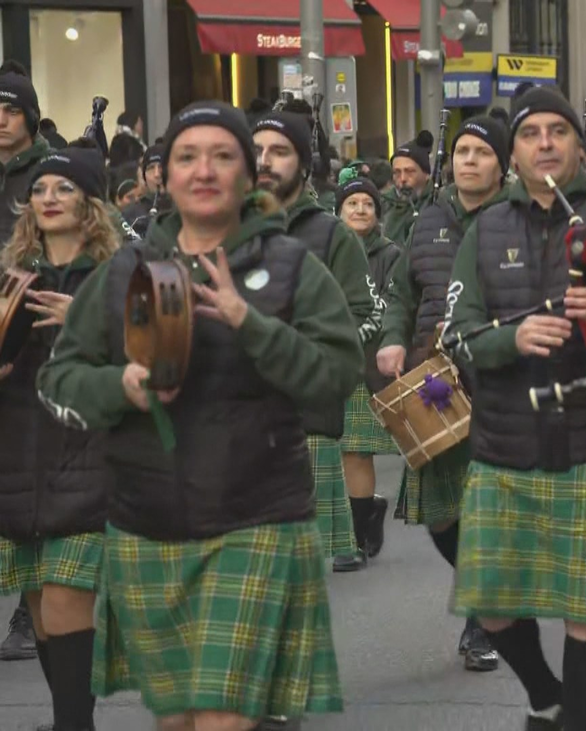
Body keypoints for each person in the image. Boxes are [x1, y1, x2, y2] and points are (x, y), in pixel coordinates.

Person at [36, 99, 362, 731]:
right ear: (167, 174)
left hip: (257, 521)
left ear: (248, 174)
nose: (204, 170)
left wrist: (251, 324)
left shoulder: (291, 266)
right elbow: (60, 379)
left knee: (222, 715)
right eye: (187, 156)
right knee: (180, 718)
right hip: (146, 524)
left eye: (222, 156)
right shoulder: (125, 270)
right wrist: (120, 386)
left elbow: (336, 376)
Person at [443, 83, 586, 731]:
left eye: (559, 132)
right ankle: (545, 694)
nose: (545, 144)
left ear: (580, 146)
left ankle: (577, 722)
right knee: (491, 601)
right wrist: (511, 339)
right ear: (514, 154)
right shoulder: (486, 228)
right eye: (531, 134)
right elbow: (456, 334)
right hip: (503, 440)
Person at [376, 114, 511, 674]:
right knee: (440, 516)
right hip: (434, 381)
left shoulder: (520, 218)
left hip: (500, 380)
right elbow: (402, 294)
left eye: (482, 152)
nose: (469, 161)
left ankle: (482, 617)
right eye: (462, 152)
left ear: (502, 164)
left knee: (486, 510)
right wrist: (392, 340)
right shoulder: (428, 219)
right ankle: (485, 591)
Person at [0, 143, 116, 731]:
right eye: (40, 189)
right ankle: (69, 718)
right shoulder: (11, 278)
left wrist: (86, 321)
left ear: (90, 203)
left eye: (64, 188)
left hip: (89, 451)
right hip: (21, 450)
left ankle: (75, 723)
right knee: (43, 607)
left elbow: (154, 359)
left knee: (68, 596)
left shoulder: (118, 275)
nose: (48, 198)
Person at [252, 111, 379, 573]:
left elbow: (364, 313)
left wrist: (304, 356)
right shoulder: (221, 227)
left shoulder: (331, 235)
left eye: (279, 151)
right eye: (255, 150)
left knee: (295, 581)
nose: (264, 161)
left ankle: (362, 523)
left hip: (304, 417)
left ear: (304, 165)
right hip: (233, 423)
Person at [0, 58, 50, 664]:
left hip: (35, 344)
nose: (0, 120)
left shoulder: (52, 174)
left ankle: (28, 609)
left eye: (10, 109)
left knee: (30, 484)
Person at [333, 171, 400, 564]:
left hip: (367, 363)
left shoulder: (391, 255)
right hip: (327, 361)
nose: (360, 209)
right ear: (338, 211)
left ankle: (357, 538)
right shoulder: (324, 249)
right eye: (352, 203)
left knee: (355, 451)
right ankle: (366, 510)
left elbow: (394, 305)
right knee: (326, 452)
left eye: (368, 204)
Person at [384, 132, 434, 246]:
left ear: (426, 174)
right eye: (397, 172)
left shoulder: (439, 203)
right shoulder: (384, 205)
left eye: (410, 172)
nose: (402, 179)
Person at [120, 143, 171, 239]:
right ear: (144, 177)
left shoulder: (187, 209)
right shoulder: (131, 214)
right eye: (151, 168)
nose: (157, 174)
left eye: (161, 167)